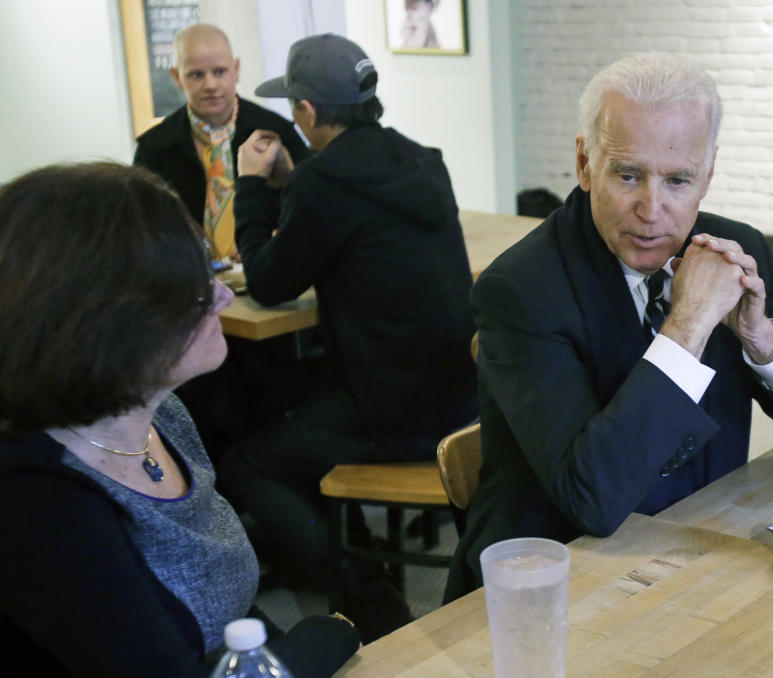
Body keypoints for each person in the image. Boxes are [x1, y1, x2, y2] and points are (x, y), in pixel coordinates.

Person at [444, 53, 773, 601]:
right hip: (552, 580)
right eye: (628, 175)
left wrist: (762, 341)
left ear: (709, 174)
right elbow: (593, 499)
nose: (652, 209)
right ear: (584, 164)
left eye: (678, 180)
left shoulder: (732, 252)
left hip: (692, 555)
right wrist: (689, 326)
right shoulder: (520, 290)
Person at [0, 163, 358, 678]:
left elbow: (226, 619)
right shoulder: (36, 498)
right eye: (193, 290)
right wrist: (332, 632)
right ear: (107, 323)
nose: (223, 296)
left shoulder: (160, 411)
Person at [218, 34, 477, 641]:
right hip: (462, 400)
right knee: (300, 418)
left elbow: (269, 281)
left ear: (306, 112)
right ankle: (360, 568)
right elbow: (351, 208)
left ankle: (366, 595)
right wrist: (296, 177)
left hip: (392, 412)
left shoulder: (322, 184)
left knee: (245, 462)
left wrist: (254, 184)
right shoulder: (422, 160)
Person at [133, 23, 314, 467]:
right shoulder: (154, 148)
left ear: (236, 70)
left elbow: (312, 205)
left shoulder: (274, 130)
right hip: (195, 303)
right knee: (211, 404)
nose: (211, 84)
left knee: (274, 393)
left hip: (265, 299)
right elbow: (141, 232)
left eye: (219, 71)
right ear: (177, 78)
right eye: (197, 75)